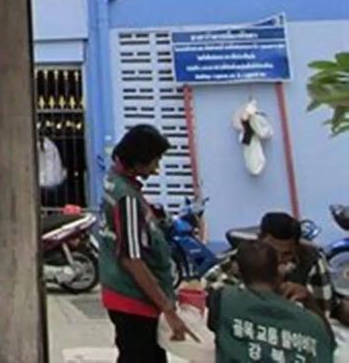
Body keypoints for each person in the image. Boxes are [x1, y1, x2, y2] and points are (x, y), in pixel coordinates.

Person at [99, 124, 197, 362]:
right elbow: (132, 259)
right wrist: (167, 308)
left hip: (122, 294)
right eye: (154, 161)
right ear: (138, 160)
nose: (156, 168)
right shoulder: (127, 199)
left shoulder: (114, 181)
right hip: (133, 300)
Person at [205, 211, 349, 326]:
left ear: (296, 247)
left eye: (286, 254)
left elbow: (322, 315)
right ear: (259, 239)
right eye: (272, 252)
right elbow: (210, 284)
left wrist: (306, 300)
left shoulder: (312, 261)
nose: (278, 259)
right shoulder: (248, 255)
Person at [209, 241, 334, 363]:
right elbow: (328, 346)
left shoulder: (223, 299)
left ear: (239, 273)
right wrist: (310, 302)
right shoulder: (312, 322)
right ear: (279, 271)